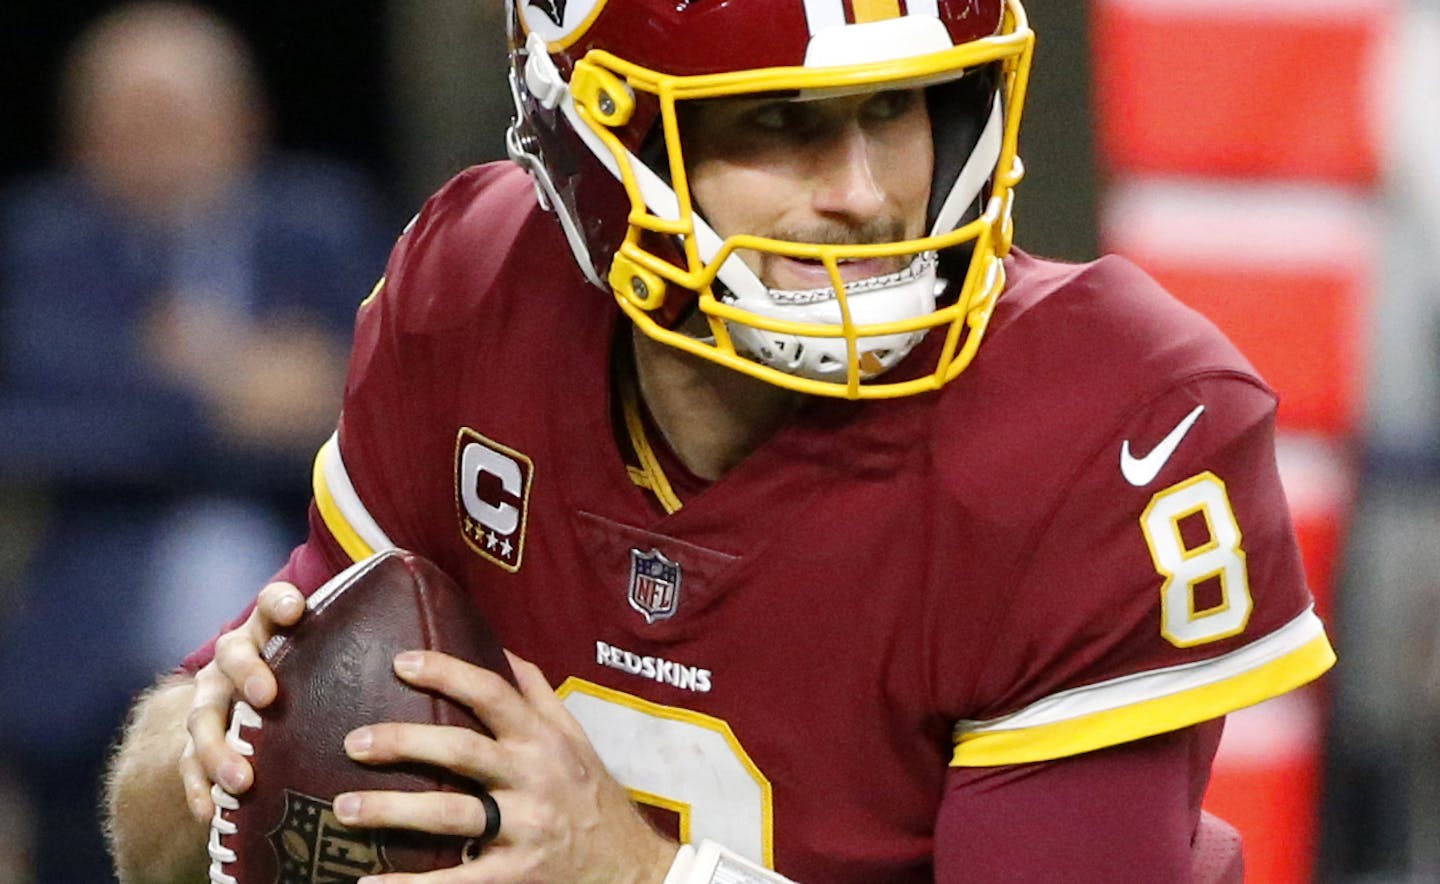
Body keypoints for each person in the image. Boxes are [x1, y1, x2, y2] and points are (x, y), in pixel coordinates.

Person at [103, 0, 1336, 881]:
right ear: (599, 142)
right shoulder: (478, 293)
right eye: (782, 122)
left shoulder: (1101, 422)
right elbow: (164, 813)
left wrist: (644, 877)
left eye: (898, 107)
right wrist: (206, 758)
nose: (866, 191)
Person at [0, 3, 390, 879]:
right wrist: (225, 387)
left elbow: (378, 420)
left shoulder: (322, 225)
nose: (153, 144)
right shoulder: (42, 243)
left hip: (303, 631)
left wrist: (156, 380)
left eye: (176, 117)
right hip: (89, 647)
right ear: (79, 136)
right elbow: (33, 426)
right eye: (126, 121)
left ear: (245, 121)